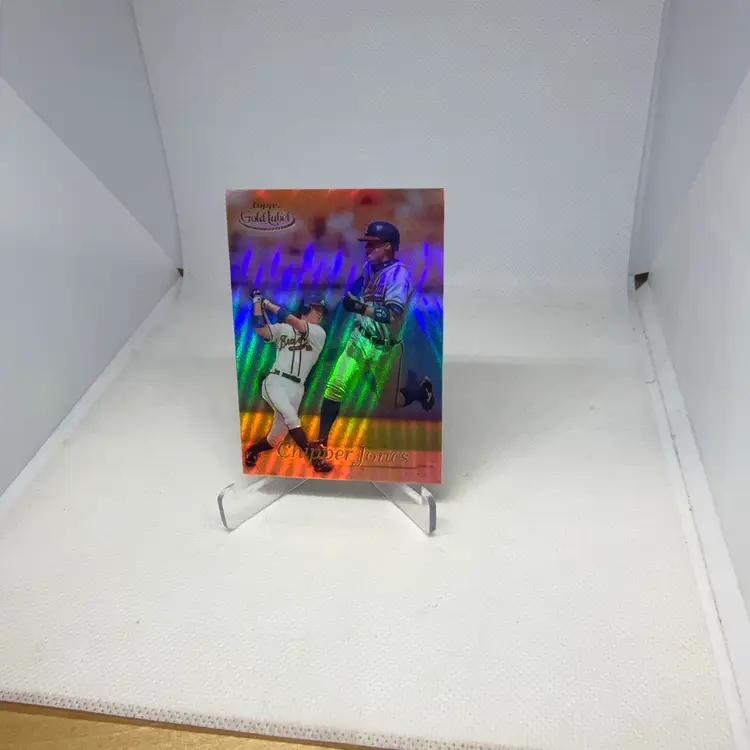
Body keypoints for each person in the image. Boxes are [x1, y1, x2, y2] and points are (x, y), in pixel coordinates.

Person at [316, 221, 434, 449]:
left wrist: (359, 307)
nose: (367, 248)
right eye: (367, 244)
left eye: (372, 244)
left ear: (388, 246)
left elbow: (392, 314)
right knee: (335, 386)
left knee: (391, 403)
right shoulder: (369, 267)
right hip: (360, 337)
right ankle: (321, 442)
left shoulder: (399, 276)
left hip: (386, 348)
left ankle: (420, 391)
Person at [243, 289, 333, 473]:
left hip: (297, 388)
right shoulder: (283, 329)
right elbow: (260, 328)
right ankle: (315, 460)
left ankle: (253, 450)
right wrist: (257, 303)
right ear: (305, 308)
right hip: (276, 381)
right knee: (292, 417)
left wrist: (266, 304)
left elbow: (293, 321)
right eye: (316, 309)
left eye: (322, 311)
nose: (320, 314)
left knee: (276, 438)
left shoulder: (319, 333)